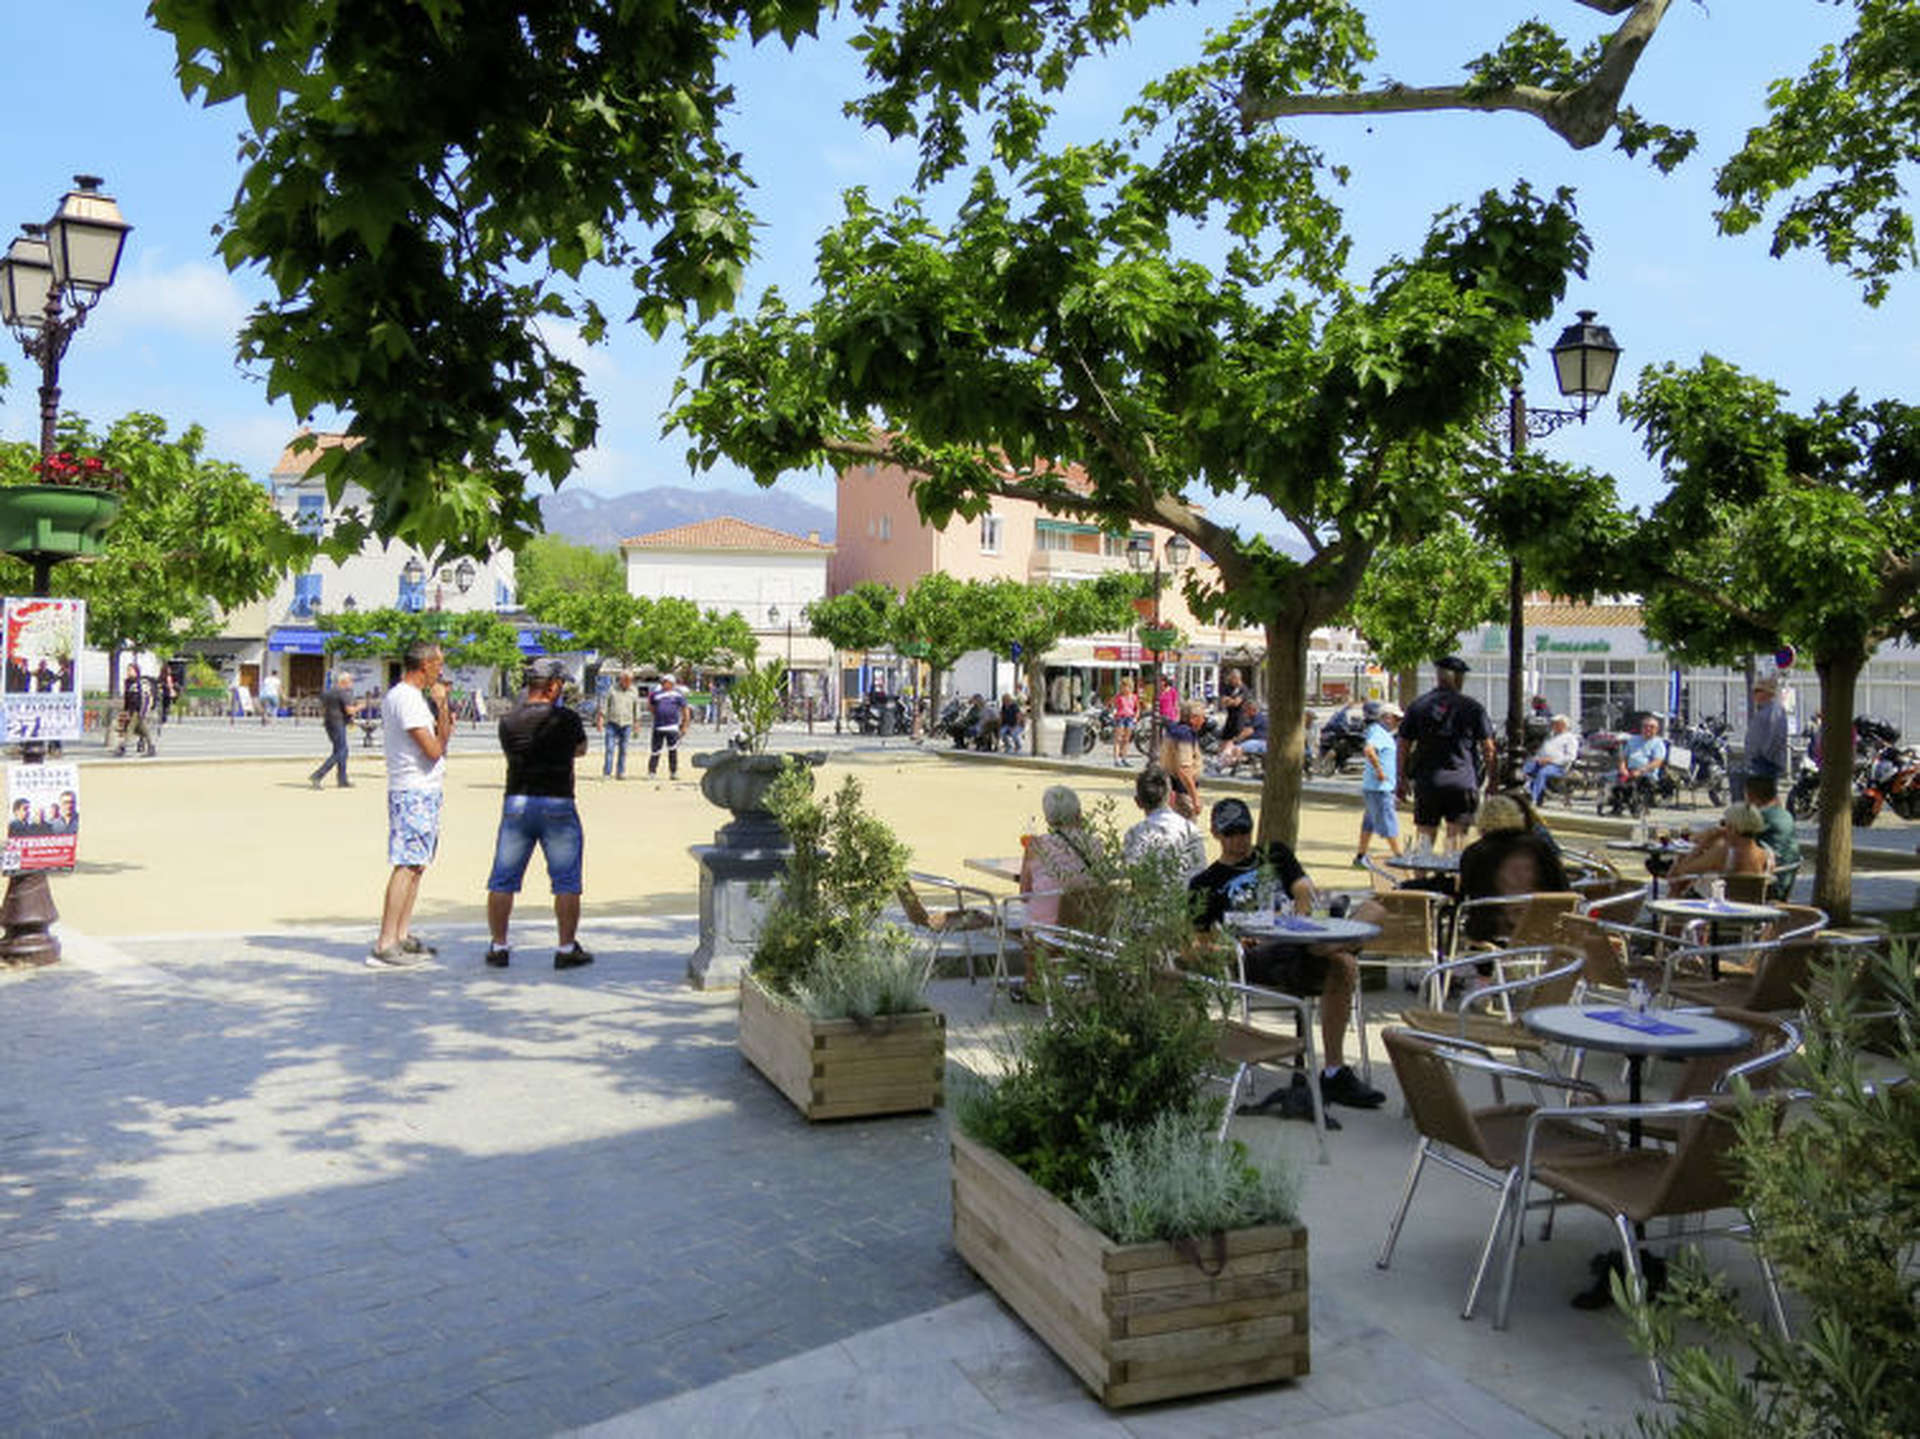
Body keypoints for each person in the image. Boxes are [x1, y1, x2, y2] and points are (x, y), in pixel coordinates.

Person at [1188, 797, 1384, 1111]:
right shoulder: (1205, 884)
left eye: (1244, 831)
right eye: (1231, 833)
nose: (1239, 840)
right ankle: (1335, 1072)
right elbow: (1197, 945)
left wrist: (1298, 916)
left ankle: (1333, 1071)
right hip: (1260, 956)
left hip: (1300, 939)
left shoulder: (1275, 853)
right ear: (1215, 834)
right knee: (1344, 961)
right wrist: (1229, 946)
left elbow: (1304, 889)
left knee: (1374, 910)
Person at [484, 657, 593, 969]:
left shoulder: (508, 721)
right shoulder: (566, 719)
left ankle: (499, 945)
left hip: (517, 801)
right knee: (566, 880)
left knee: (503, 879)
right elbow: (581, 749)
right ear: (553, 686)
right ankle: (566, 947)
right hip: (558, 800)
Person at [371, 641, 455, 969]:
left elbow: (441, 740)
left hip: (422, 789)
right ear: (425, 665)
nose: (441, 671)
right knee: (406, 864)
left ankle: (401, 934)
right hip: (413, 790)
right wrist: (441, 707)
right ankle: (386, 941)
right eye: (439, 664)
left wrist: (442, 708)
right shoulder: (406, 699)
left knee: (417, 864)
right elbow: (434, 750)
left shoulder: (411, 698)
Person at [1396, 655, 1495, 852]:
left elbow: (1403, 745)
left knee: (1424, 838)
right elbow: (1488, 748)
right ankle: (1452, 870)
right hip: (1462, 781)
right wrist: (1493, 780)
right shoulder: (1472, 708)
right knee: (1456, 840)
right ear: (1458, 678)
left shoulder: (1419, 706)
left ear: (1438, 677)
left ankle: (1421, 869)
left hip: (1428, 782)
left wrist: (1401, 777)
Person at [1454, 794, 1571, 945]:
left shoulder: (1474, 852)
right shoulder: (1540, 848)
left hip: (1489, 929)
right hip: (1539, 927)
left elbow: (1466, 892)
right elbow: (1562, 887)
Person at [1018, 785, 1101, 929]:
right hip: (1084, 930)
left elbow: (1024, 894)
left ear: (1048, 819)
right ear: (1078, 813)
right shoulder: (1095, 844)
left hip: (1044, 932)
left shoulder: (1036, 846)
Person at [1665, 802, 1776, 896]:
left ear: (1733, 827)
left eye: (1724, 823)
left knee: (1677, 888)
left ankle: (1666, 915)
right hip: (1751, 910)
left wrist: (1704, 843)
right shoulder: (1768, 855)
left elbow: (1679, 873)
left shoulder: (1723, 852)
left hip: (1717, 909)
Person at [1122, 765, 1208, 878]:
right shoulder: (1191, 830)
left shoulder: (1134, 834)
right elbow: (1200, 870)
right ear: (1172, 798)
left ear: (1138, 802)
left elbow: (1132, 871)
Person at [1355, 701, 1403, 867]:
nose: (1398, 723)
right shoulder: (1378, 732)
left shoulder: (1380, 732)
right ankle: (1399, 855)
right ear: (1387, 718)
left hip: (1376, 787)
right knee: (1388, 821)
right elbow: (1369, 750)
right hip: (1379, 788)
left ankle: (1360, 856)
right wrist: (1379, 771)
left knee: (1369, 823)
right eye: (1396, 719)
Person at [1744, 773, 1802, 899]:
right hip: (1783, 876)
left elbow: (1736, 837)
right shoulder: (1784, 813)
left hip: (1769, 882)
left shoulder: (1764, 816)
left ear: (1751, 795)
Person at [1159, 698, 1207, 818]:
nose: (1204, 720)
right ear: (1193, 718)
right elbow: (1184, 770)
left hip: (1171, 787)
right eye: (1202, 717)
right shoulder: (1184, 735)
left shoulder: (1175, 730)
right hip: (1181, 791)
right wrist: (1195, 798)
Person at [310, 674, 359, 788]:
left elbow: (322, 707)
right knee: (341, 751)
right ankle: (318, 775)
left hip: (329, 722)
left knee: (342, 750)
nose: (352, 684)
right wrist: (360, 707)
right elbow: (350, 710)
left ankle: (342, 779)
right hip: (338, 723)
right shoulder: (343, 693)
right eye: (350, 681)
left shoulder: (328, 692)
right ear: (344, 682)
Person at [1521, 714, 1580, 805]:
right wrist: (1538, 759)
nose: (1552, 725)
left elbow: (1570, 757)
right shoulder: (1550, 736)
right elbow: (1541, 751)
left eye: (1555, 724)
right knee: (1525, 768)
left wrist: (1551, 760)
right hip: (1542, 761)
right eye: (1553, 723)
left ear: (1562, 725)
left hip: (1558, 766)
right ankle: (1522, 791)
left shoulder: (1570, 738)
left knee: (1542, 773)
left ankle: (1533, 798)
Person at [1742, 674, 1790, 785]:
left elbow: (1774, 736)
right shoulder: (1763, 710)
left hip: (1765, 764)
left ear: (1768, 693)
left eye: (1758, 691)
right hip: (1758, 762)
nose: (1754, 694)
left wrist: (1763, 756)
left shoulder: (1774, 710)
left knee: (1764, 792)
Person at [1614, 714, 1669, 809]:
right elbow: (1623, 757)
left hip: (1646, 774)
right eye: (1645, 726)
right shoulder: (1632, 740)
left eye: (1651, 727)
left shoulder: (1658, 743)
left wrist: (1640, 771)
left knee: (1633, 784)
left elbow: (1657, 762)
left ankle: (1636, 807)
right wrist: (1622, 768)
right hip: (1629, 771)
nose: (1648, 729)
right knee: (1613, 781)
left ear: (1657, 729)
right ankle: (1617, 808)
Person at [598, 670, 641, 779]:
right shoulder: (611, 689)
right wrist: (601, 720)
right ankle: (607, 772)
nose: (627, 682)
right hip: (612, 723)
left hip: (627, 723)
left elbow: (636, 709)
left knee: (623, 749)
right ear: (621, 679)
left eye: (629, 680)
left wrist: (637, 724)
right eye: (625, 680)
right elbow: (604, 705)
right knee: (609, 749)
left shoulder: (634, 691)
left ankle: (620, 772)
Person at [647, 673, 687, 778]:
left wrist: (684, 725)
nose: (664, 684)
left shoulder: (678, 695)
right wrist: (658, 714)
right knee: (655, 750)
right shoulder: (656, 694)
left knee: (672, 750)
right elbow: (651, 706)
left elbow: (685, 709)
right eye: (663, 682)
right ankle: (652, 771)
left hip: (672, 727)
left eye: (666, 682)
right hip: (658, 726)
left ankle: (673, 772)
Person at [112, 664, 157, 758]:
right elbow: (127, 698)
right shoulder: (128, 683)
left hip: (138, 710)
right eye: (128, 670)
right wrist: (125, 710)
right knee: (141, 729)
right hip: (131, 710)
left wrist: (143, 711)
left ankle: (122, 747)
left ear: (136, 671)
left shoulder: (141, 683)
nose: (128, 672)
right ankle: (151, 746)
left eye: (130, 670)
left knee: (130, 728)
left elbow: (145, 698)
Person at [1216, 698, 1269, 772]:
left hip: (1261, 742)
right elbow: (1243, 731)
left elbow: (1247, 732)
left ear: (1252, 709)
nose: (1244, 712)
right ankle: (1224, 763)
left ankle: (1227, 764)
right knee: (1228, 746)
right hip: (1253, 741)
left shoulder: (1259, 717)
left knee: (1237, 748)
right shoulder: (1250, 719)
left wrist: (1234, 741)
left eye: (1246, 710)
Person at [1111, 675, 1140, 765]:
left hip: (1130, 718)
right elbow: (1112, 704)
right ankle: (1116, 759)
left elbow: (1137, 708)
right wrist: (1114, 712)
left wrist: (1136, 717)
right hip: (1120, 718)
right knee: (1118, 739)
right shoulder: (1119, 697)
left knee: (1126, 740)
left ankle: (1124, 758)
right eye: (1123, 686)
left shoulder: (1134, 697)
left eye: (1126, 686)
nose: (1125, 688)